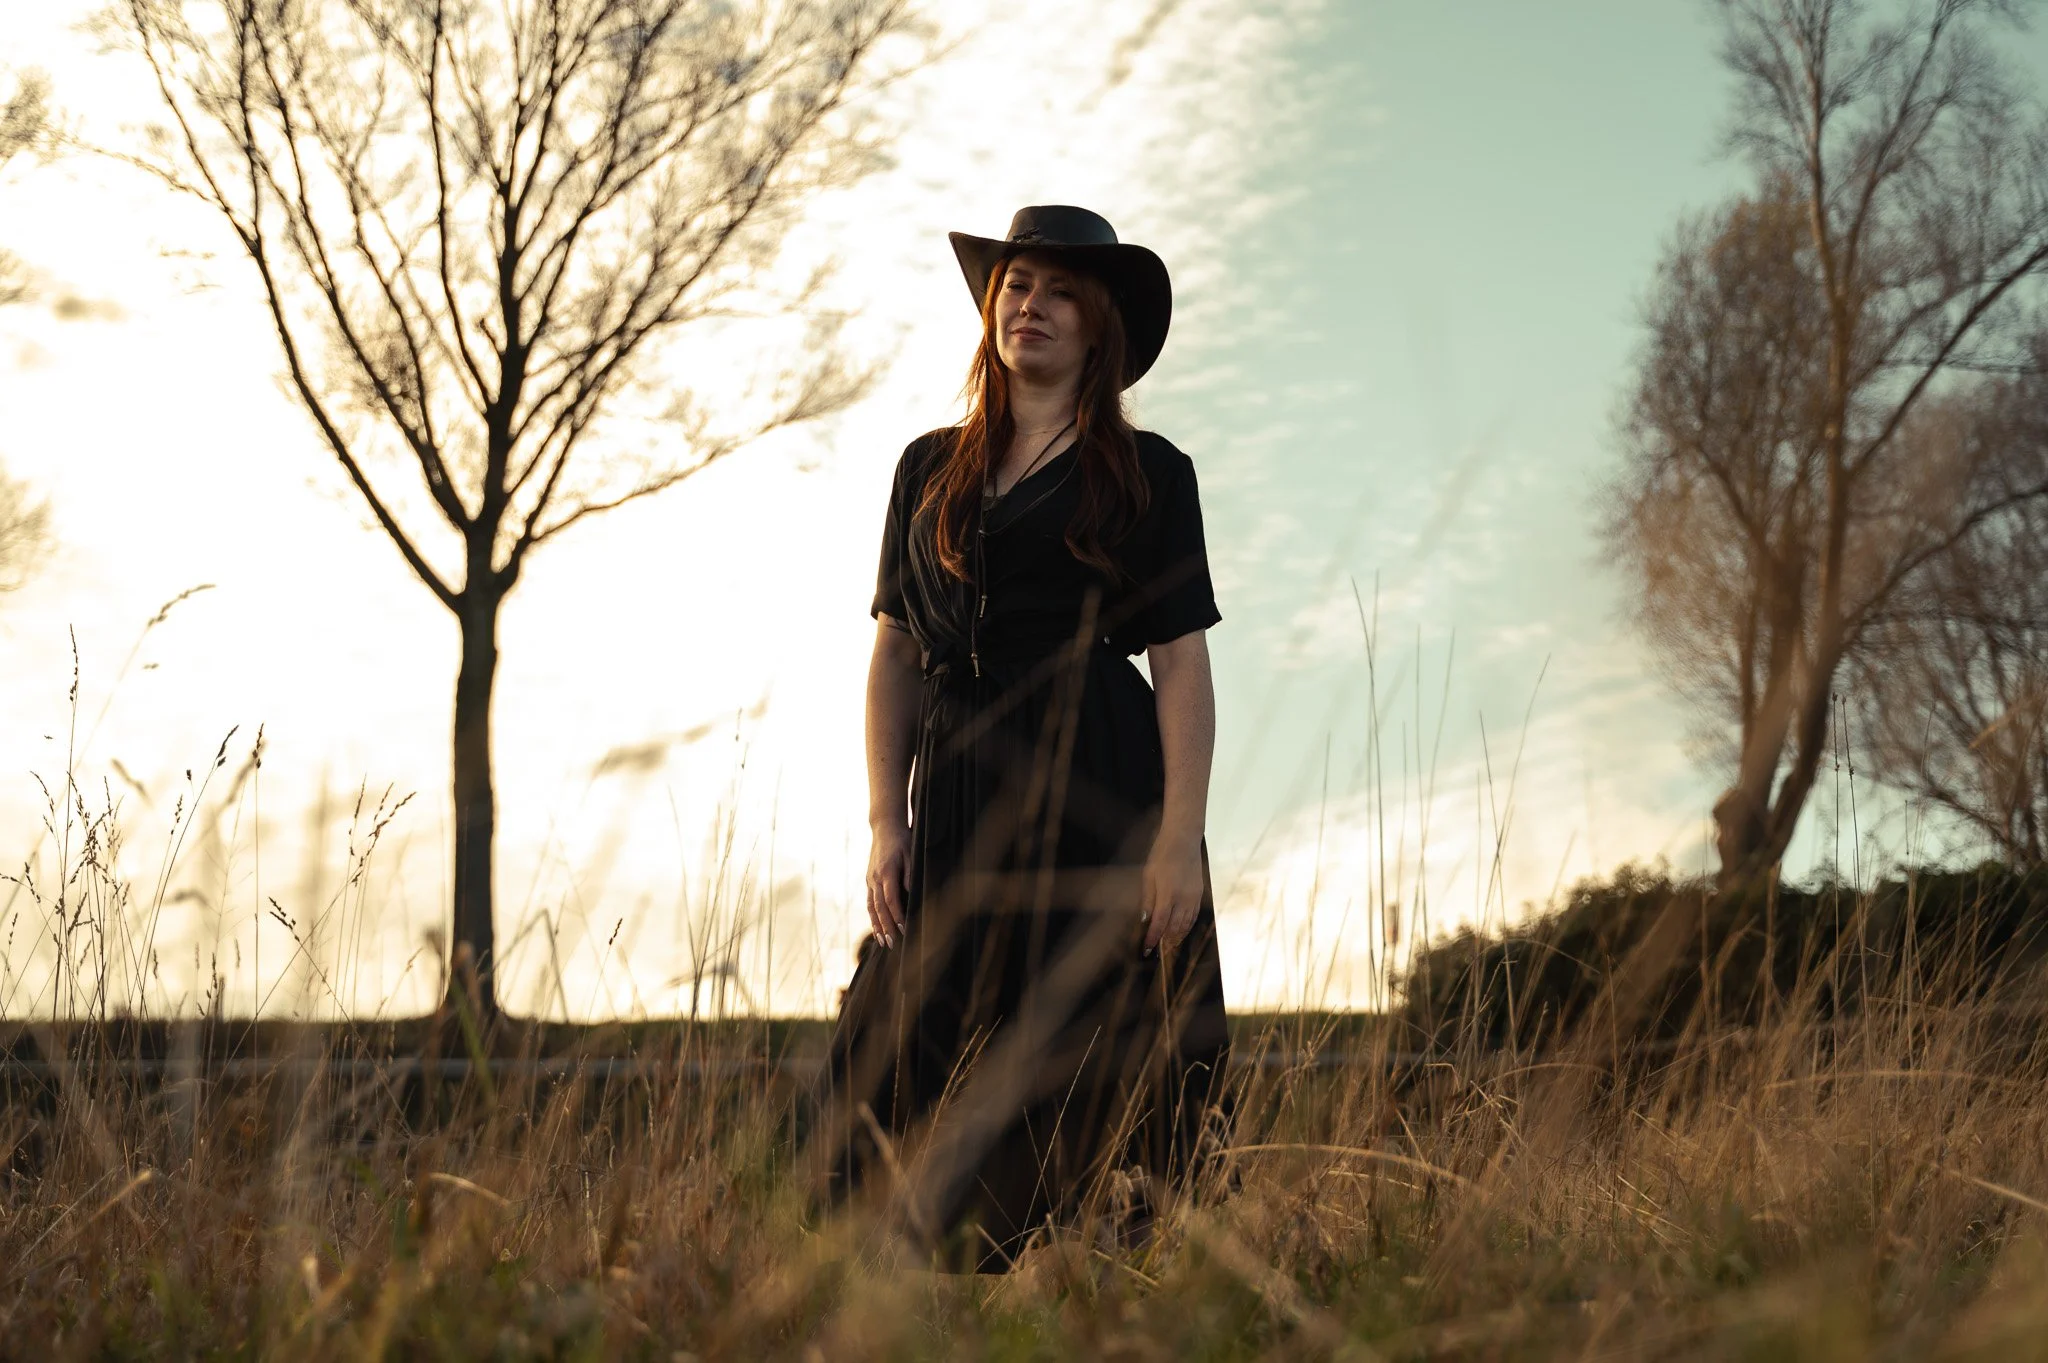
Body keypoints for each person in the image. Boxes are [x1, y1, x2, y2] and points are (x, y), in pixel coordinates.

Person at [818, 205, 1232, 1272]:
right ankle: (904, 1284)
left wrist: (1177, 839)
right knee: (894, 1045)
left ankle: (1106, 1282)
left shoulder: (1149, 472)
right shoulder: (925, 470)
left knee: (1101, 1054)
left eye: (1054, 290)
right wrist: (882, 820)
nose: (1028, 304)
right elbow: (894, 658)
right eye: (1012, 285)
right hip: (952, 795)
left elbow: (1179, 664)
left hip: (1099, 787)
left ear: (1097, 327)